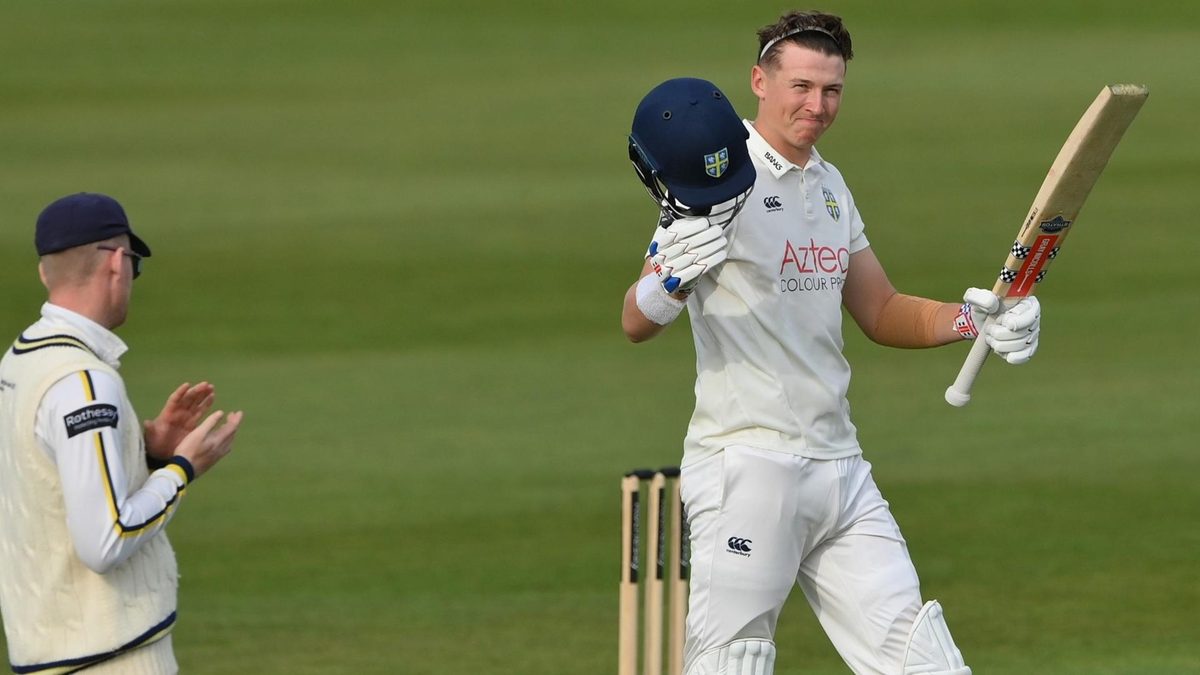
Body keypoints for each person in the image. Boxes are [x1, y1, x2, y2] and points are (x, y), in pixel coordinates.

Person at [621, 12, 1041, 675]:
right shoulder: (718, 178)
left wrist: (971, 321)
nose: (816, 105)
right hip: (749, 462)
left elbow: (880, 308)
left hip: (840, 469)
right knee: (734, 662)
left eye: (832, 90)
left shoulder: (831, 186)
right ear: (760, 81)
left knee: (926, 663)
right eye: (801, 85)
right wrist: (669, 281)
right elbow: (635, 318)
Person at [0, 192, 244, 674]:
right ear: (116, 262)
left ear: (45, 272)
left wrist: (146, 454)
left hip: (47, 652)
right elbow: (106, 539)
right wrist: (181, 469)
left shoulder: (19, 362)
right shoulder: (84, 382)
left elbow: (47, 480)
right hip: (109, 659)